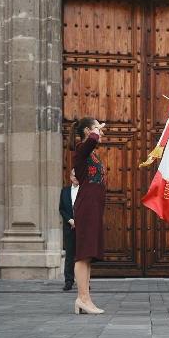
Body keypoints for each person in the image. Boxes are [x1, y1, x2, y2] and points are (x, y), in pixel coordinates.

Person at [71, 117, 107, 315]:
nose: (100, 132)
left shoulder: (91, 154)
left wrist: (96, 129)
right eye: (96, 128)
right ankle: (82, 298)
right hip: (86, 207)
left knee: (88, 255)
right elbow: (92, 140)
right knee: (83, 253)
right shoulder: (81, 149)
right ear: (87, 131)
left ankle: (85, 298)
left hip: (94, 207)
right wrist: (96, 130)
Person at [59, 169, 79, 291]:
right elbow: (61, 209)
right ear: (70, 177)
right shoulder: (65, 191)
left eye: (77, 175)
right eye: (73, 175)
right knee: (69, 255)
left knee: (82, 256)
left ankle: (83, 282)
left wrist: (79, 222)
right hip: (69, 227)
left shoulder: (84, 191)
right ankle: (68, 281)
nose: (75, 177)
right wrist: (70, 220)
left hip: (82, 228)